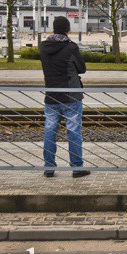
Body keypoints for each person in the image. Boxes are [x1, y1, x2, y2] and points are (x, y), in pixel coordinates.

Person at [39, 16, 90, 178]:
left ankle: (48, 167)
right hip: (71, 96)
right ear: (67, 30)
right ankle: (76, 167)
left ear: (54, 29)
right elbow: (82, 68)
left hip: (51, 95)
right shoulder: (71, 47)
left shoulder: (43, 46)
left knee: (49, 131)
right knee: (73, 131)